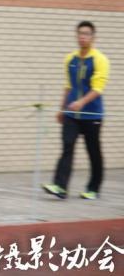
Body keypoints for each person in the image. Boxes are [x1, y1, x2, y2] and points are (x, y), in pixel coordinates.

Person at [43, 21, 109, 201]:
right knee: (67, 146)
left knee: (93, 151)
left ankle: (93, 188)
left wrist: (82, 102)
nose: (82, 37)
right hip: (71, 114)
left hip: (92, 115)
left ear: (93, 37)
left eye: (86, 34)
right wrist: (62, 108)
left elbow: (98, 88)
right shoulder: (70, 59)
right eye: (80, 33)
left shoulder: (100, 59)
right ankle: (60, 186)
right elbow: (68, 86)